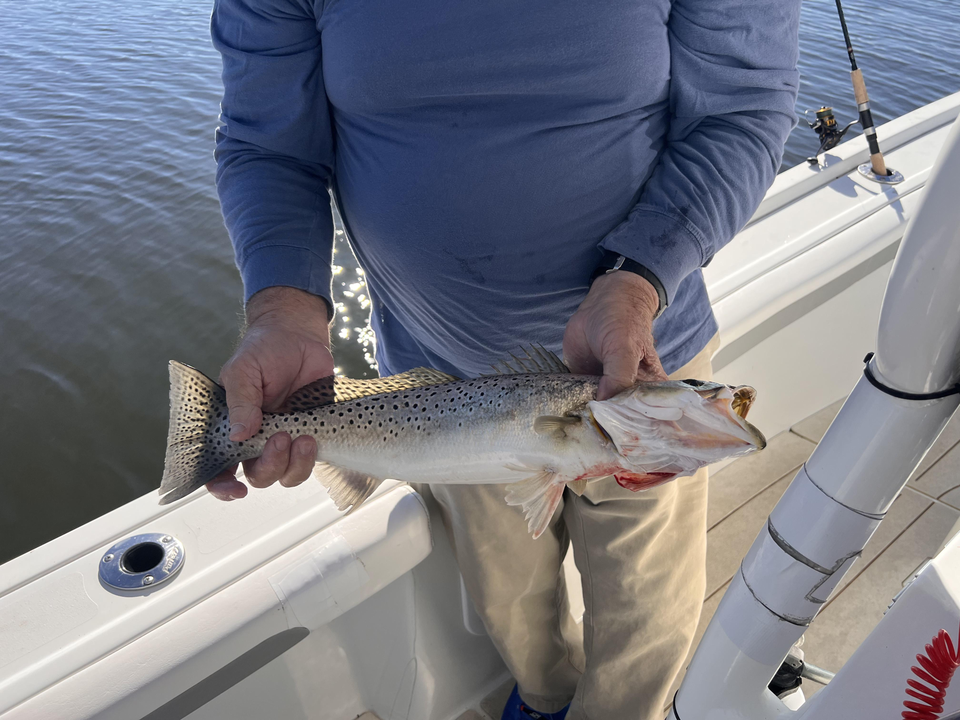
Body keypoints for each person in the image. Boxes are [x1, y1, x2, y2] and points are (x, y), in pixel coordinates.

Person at [205, 0, 801, 716]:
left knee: (645, 597)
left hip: (640, 354)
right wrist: (284, 310)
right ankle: (546, 700)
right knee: (504, 591)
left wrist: (636, 283)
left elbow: (742, 111)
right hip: (437, 376)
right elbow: (272, 147)